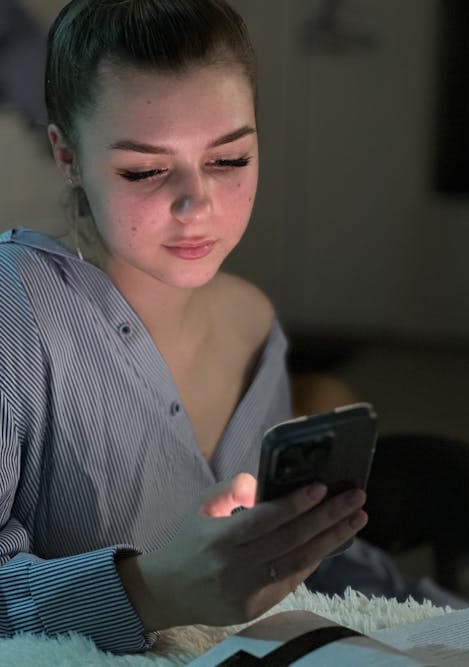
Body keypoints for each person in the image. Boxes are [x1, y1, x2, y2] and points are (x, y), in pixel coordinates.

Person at [0, 0, 370, 655]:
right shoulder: (18, 308)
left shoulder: (252, 320)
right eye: (144, 169)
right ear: (66, 155)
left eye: (230, 159)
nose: (198, 203)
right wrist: (150, 587)